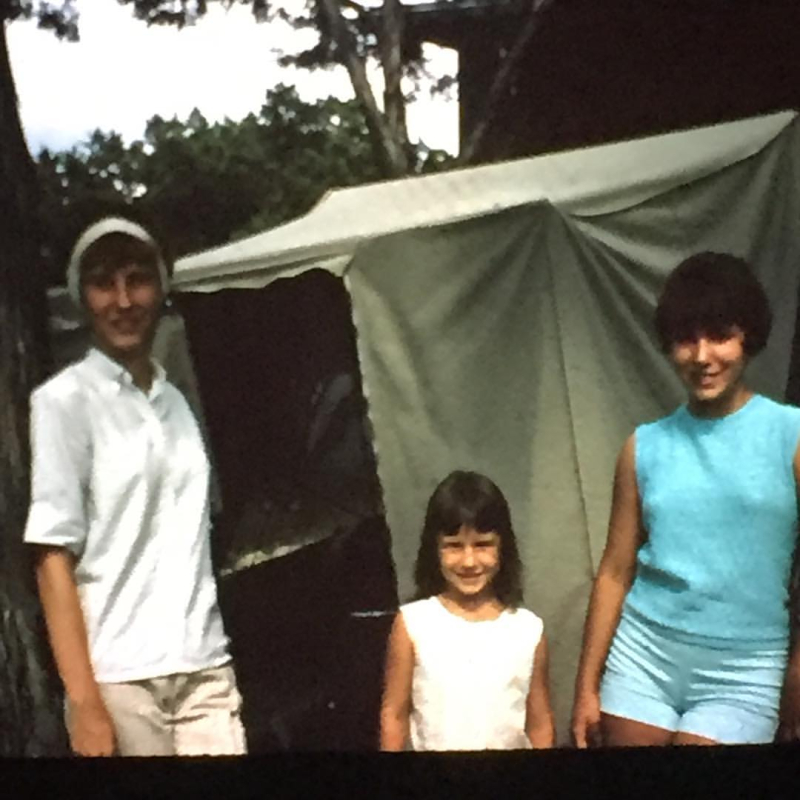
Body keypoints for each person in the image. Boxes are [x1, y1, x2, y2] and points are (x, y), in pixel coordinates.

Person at [24, 217, 247, 756]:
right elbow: (53, 552)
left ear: (162, 287)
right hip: (121, 677)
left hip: (205, 667)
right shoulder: (63, 403)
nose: (123, 300)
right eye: (104, 282)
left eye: (137, 279)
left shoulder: (175, 402)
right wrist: (84, 701)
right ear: (82, 297)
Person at [571, 252, 800, 747]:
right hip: (641, 658)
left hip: (746, 668)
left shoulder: (792, 436)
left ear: (749, 336)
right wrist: (586, 686)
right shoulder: (643, 446)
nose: (701, 356)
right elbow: (615, 570)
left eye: (719, 335)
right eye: (685, 339)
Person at [380, 470, 555, 750]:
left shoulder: (528, 630)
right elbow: (394, 715)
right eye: (454, 547)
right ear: (434, 550)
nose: (469, 561)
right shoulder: (414, 624)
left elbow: (540, 723)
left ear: (503, 547)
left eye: (483, 545)